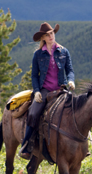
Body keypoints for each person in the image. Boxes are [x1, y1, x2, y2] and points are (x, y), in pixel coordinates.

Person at [19, 22, 75, 159]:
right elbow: (34, 75)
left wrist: (71, 80)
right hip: (45, 90)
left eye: (52, 33)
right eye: (47, 35)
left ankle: (80, 145)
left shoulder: (63, 51)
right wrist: (37, 91)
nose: (51, 36)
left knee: (76, 109)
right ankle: (26, 146)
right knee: (33, 113)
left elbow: (70, 70)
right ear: (43, 38)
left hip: (61, 89)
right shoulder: (38, 55)